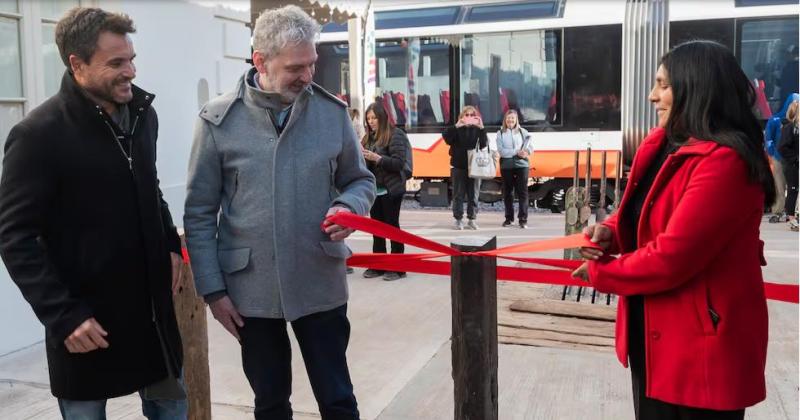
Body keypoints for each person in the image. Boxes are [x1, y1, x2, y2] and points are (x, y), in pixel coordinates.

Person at [183, 6, 375, 420]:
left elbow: (361, 180)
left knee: (338, 399)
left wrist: (348, 205)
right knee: (270, 404)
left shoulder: (332, 114)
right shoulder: (217, 121)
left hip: (319, 282)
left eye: (312, 64)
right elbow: (199, 214)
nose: (307, 76)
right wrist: (214, 292)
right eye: (295, 67)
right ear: (260, 61)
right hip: (250, 293)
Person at [0, 7, 186, 419]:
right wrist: (63, 316)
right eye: (116, 63)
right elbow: (15, 237)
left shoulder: (143, 115)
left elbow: (149, 187)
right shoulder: (37, 135)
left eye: (132, 58)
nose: (131, 71)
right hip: (85, 327)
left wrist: (170, 245)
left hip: (153, 321)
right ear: (77, 64)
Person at [573, 40, 775, 420]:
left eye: (663, 85)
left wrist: (603, 272)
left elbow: (672, 257)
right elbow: (639, 211)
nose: (652, 96)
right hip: (655, 337)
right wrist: (610, 231)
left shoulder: (724, 163)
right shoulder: (663, 145)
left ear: (696, 86)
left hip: (700, 353)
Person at [360, 102, 413, 281]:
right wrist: (362, 157)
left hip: (392, 188)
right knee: (377, 228)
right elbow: (364, 166)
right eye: (368, 118)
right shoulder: (368, 138)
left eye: (374, 118)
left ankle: (398, 268)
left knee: (392, 226)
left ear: (382, 117)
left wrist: (378, 158)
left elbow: (398, 163)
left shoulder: (395, 134)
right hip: (375, 189)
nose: (371, 122)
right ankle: (379, 264)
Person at [443, 105, 488, 230]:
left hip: (475, 166)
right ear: (462, 117)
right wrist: (457, 125)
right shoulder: (456, 129)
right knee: (458, 194)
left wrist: (482, 127)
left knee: (474, 194)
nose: (468, 117)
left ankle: (472, 219)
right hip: (459, 166)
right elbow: (446, 138)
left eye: (471, 115)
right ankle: (458, 219)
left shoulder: (478, 129)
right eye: (466, 115)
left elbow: (484, 145)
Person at [496, 109, 533, 229]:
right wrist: (516, 152)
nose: (510, 120)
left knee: (522, 192)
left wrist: (526, 152)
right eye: (508, 118)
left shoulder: (523, 132)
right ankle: (509, 218)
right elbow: (501, 151)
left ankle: (523, 219)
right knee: (507, 193)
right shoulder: (500, 133)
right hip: (506, 166)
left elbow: (531, 148)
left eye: (512, 118)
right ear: (505, 120)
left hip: (522, 165)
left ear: (516, 119)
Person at [765, 93, 798, 222]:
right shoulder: (774, 120)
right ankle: (778, 211)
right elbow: (768, 138)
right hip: (778, 158)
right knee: (780, 186)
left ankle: (791, 211)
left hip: (790, 159)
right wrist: (773, 154)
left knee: (792, 186)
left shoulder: (795, 124)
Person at [778, 100, 799, 231]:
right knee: (793, 190)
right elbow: (782, 147)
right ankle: (791, 218)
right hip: (792, 165)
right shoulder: (789, 128)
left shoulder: (796, 128)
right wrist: (796, 159)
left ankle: (794, 215)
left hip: (794, 163)